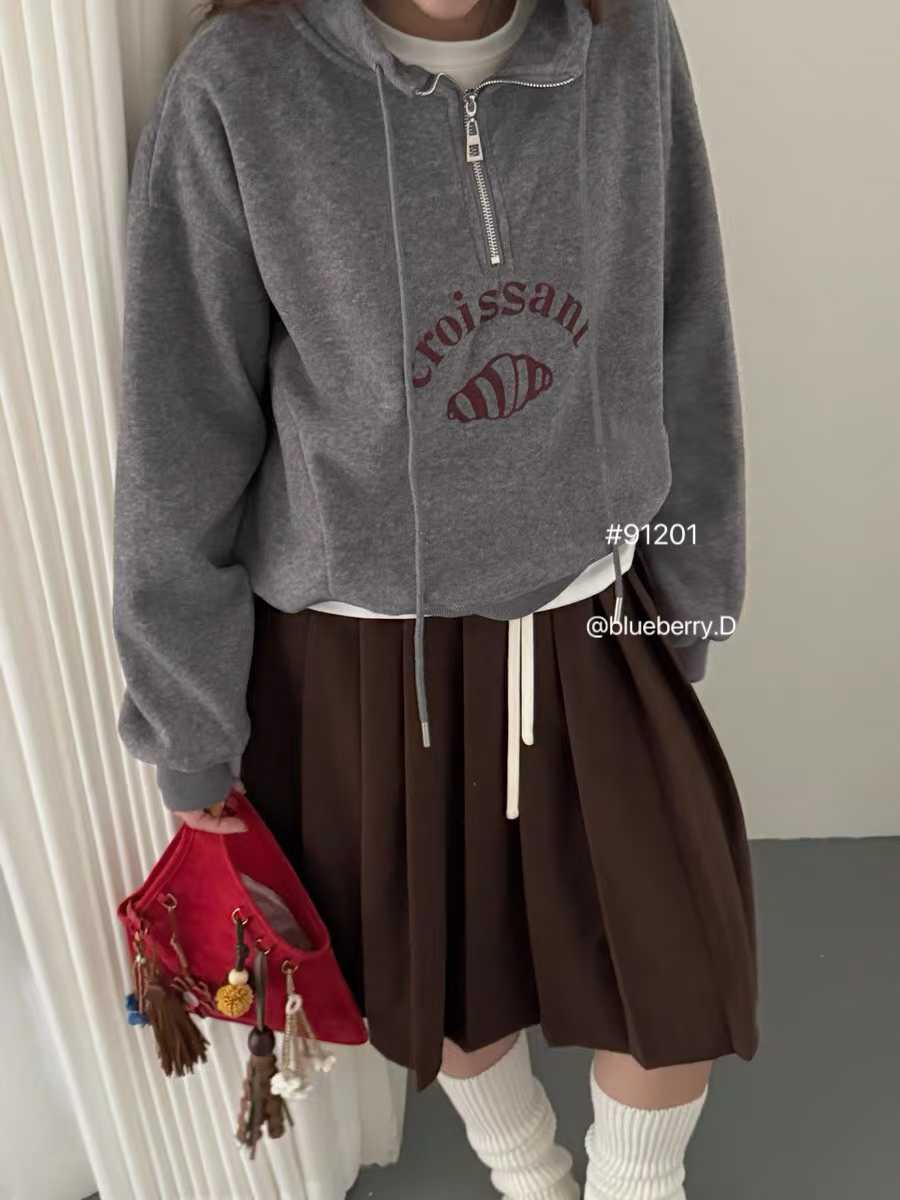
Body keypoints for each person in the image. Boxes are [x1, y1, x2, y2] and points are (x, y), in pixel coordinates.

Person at [111, 0, 759, 1195]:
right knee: (445, 977)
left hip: (596, 611)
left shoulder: (623, 35)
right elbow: (181, 431)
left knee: (677, 963)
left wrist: (691, 597)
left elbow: (685, 321)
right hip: (364, 653)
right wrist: (190, 731)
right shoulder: (240, 84)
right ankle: (529, 1176)